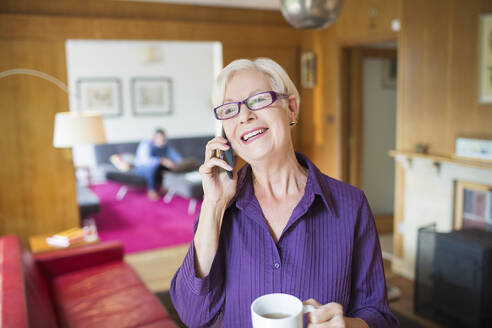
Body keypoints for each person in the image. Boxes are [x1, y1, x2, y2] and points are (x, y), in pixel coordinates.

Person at [170, 58, 399, 327]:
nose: (244, 116)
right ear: (227, 133)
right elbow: (192, 315)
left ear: (291, 108)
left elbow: (380, 316)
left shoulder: (351, 205)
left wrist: (349, 326)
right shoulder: (218, 207)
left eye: (257, 100)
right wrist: (214, 205)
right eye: (230, 110)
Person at [134, 128, 182, 200]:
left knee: (169, 166)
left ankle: (165, 187)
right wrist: (162, 160)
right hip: (141, 168)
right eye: (161, 138)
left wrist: (180, 163)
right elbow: (146, 160)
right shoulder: (146, 144)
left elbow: (175, 156)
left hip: (157, 167)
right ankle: (151, 190)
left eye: (164, 138)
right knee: (152, 166)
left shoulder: (166, 144)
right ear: (154, 138)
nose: (163, 140)